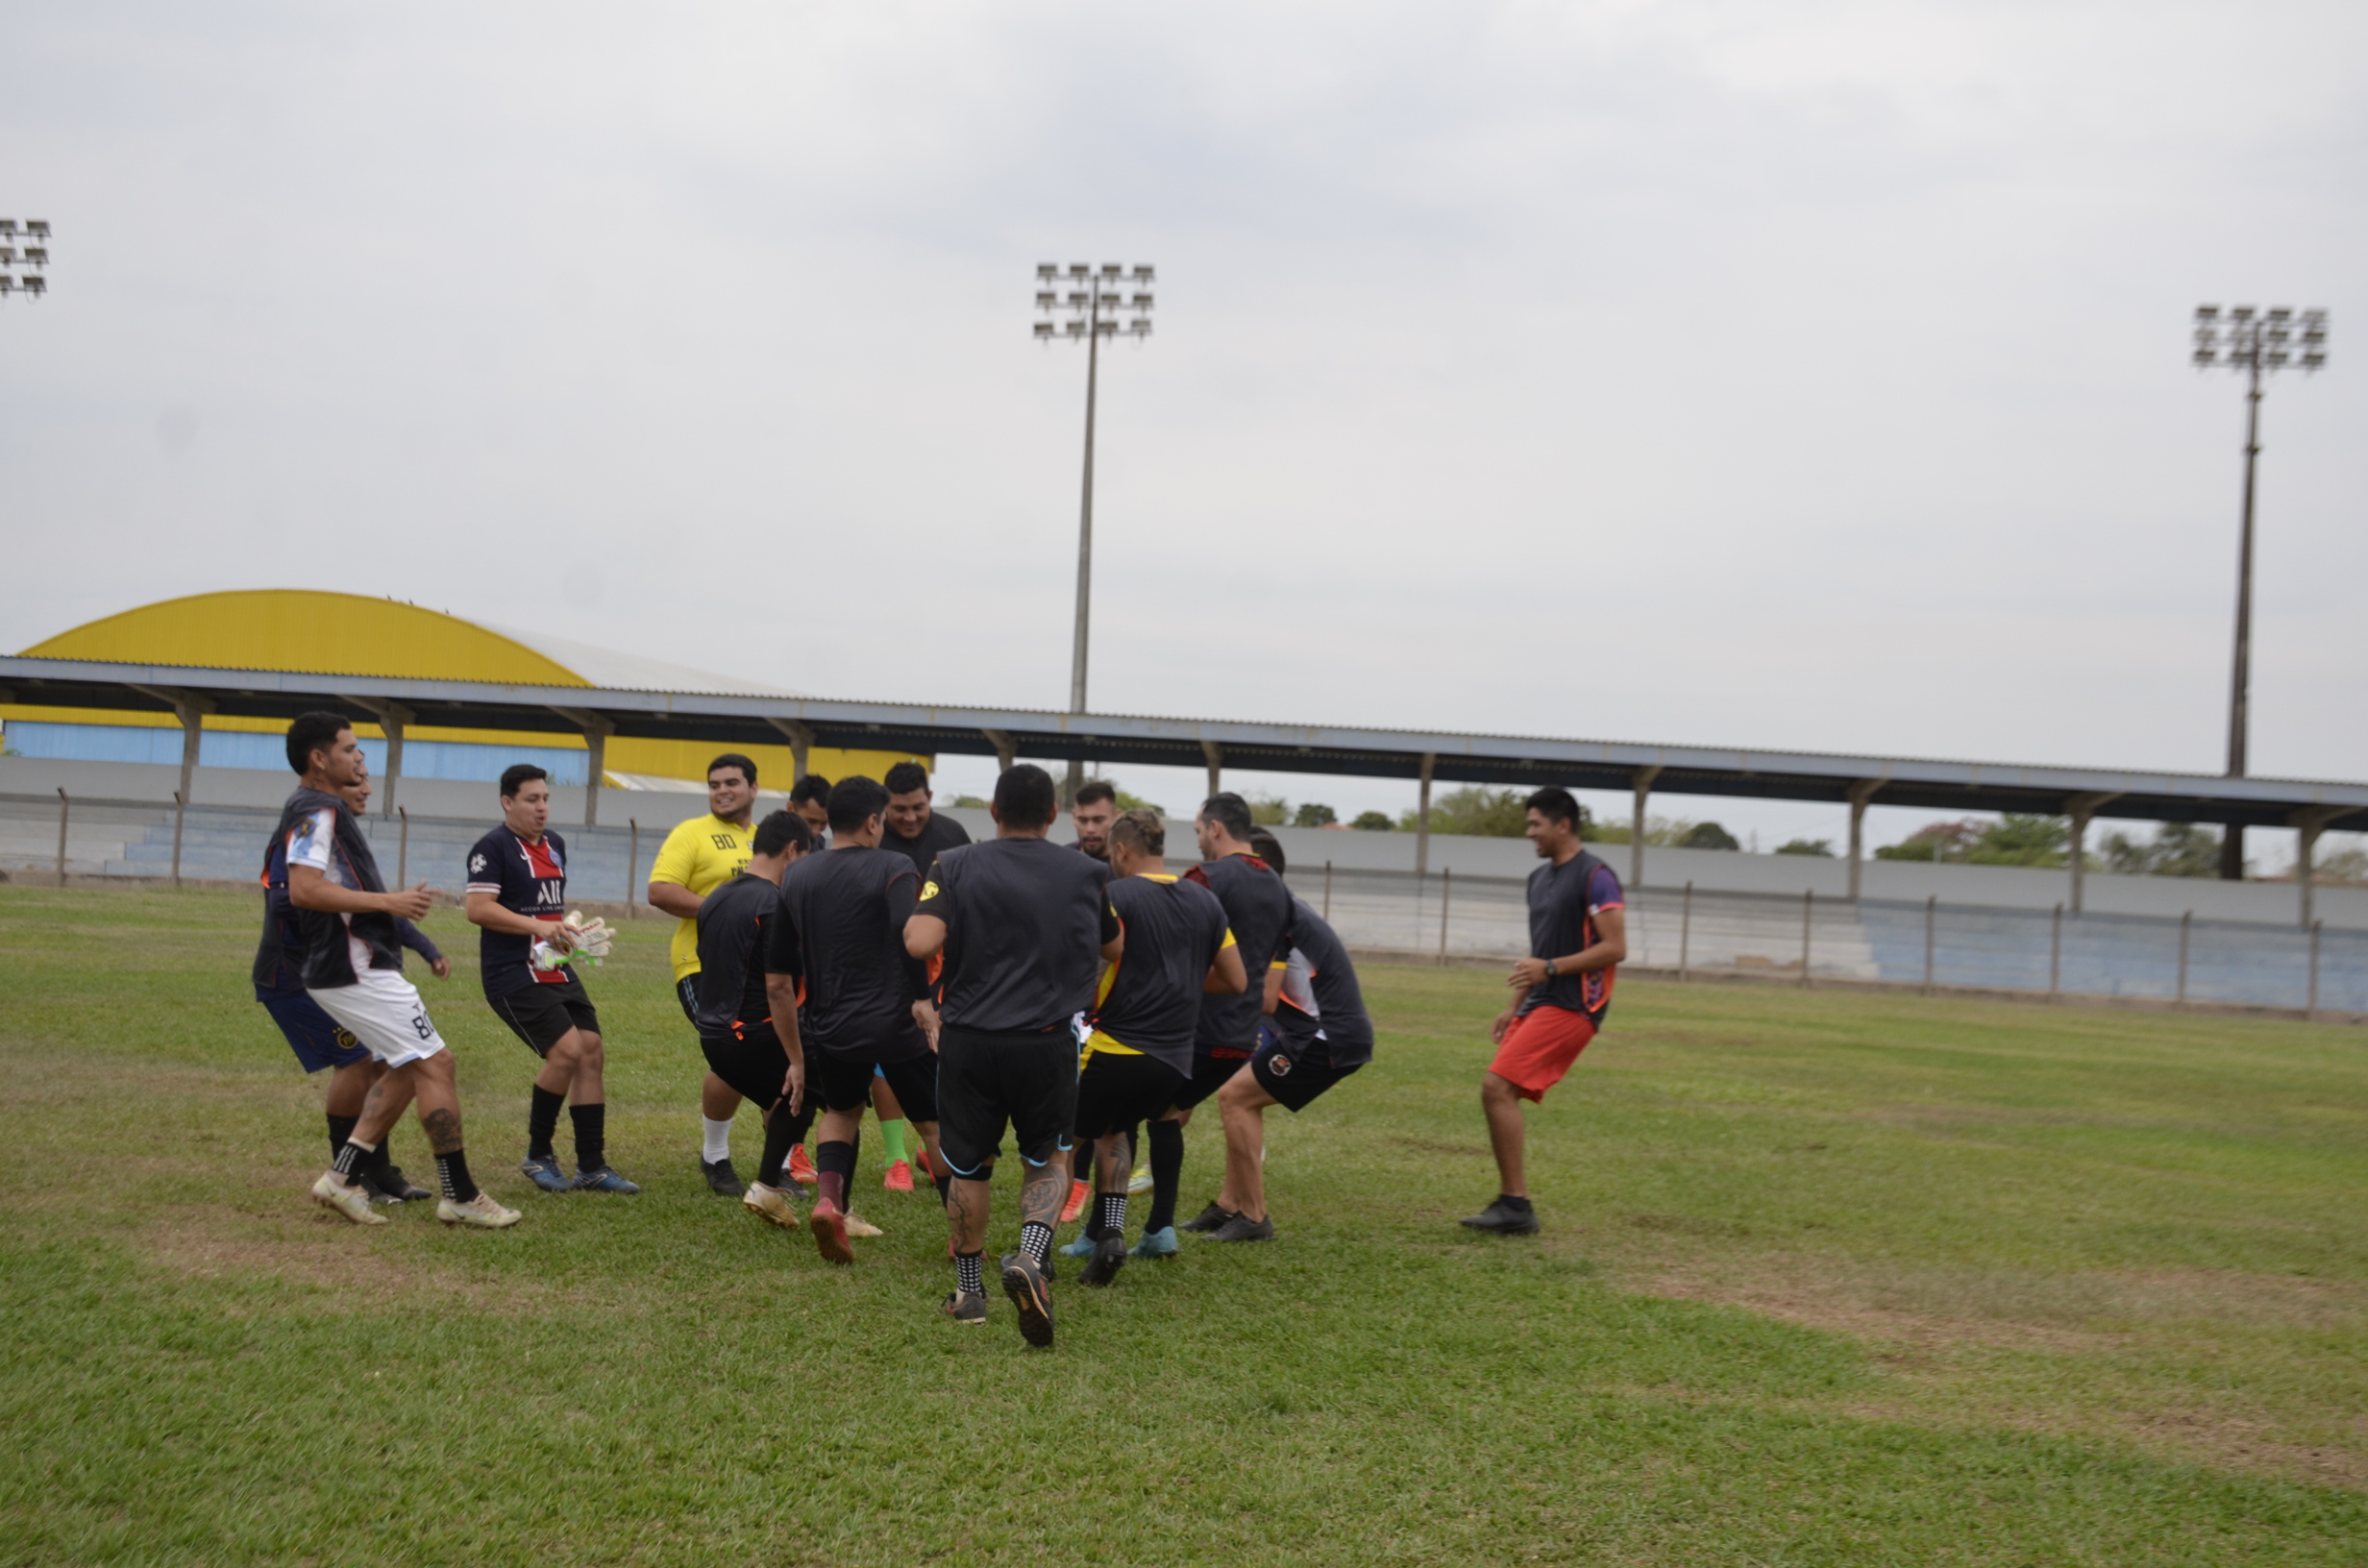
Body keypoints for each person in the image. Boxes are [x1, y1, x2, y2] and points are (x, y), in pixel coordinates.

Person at [903, 763, 1121, 1345]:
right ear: (1055, 815)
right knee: (1048, 1157)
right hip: (1046, 1041)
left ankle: (970, 1292)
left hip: (970, 1040)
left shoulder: (955, 863)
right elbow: (1116, 943)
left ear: (994, 813)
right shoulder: (1086, 871)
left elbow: (919, 941)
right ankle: (1029, 1256)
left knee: (969, 1165)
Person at [284, 712, 519, 1230]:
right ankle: (460, 1194)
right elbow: (302, 888)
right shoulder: (316, 810)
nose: (358, 757)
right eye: (348, 749)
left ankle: (342, 1179)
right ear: (319, 759)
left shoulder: (320, 809)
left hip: (350, 966)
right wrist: (389, 902)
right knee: (438, 1064)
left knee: (409, 1067)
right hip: (355, 968)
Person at [767, 775, 948, 1264]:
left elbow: (778, 975)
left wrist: (795, 1055)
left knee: (841, 1113)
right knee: (933, 1125)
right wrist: (921, 997)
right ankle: (960, 1235)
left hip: (831, 1025)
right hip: (895, 1023)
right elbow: (903, 929)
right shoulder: (895, 864)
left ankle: (829, 1201)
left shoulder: (799, 874)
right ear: (874, 820)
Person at [1064, 808, 1243, 1280]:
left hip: (1113, 1046)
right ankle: (1112, 1234)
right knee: (1115, 1132)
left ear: (1121, 849)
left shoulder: (1115, 895)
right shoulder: (1205, 901)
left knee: (1061, 1144)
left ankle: (1034, 1249)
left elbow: (1090, 960)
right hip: (1174, 1058)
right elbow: (1236, 979)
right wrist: (1177, 984)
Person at [255, 772, 441, 1205]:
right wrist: (344, 899)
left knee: (382, 1063)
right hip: (294, 975)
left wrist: (425, 947)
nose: (367, 789)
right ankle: (350, 1176)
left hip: (338, 972)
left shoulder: (340, 842)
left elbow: (376, 911)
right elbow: (287, 898)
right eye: (357, 781)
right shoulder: (304, 831)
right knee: (356, 1060)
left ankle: (377, 1171)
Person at [465, 764, 637, 1195]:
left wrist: (568, 935)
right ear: (507, 802)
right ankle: (538, 1154)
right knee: (567, 1051)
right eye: (531, 799)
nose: (542, 807)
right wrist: (538, 927)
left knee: (592, 1050)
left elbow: (549, 912)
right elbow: (479, 909)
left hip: (554, 966)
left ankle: (592, 1167)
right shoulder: (492, 847)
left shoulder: (555, 844)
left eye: (545, 799)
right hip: (511, 973)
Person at [1463, 787, 1626, 1236]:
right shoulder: (1538, 879)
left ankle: (1516, 1205)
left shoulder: (1597, 876)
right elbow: (1541, 952)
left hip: (1577, 1005)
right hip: (1540, 1001)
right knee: (1499, 1091)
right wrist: (1513, 1004)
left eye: (1536, 823)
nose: (1529, 832)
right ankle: (1512, 1202)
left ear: (1563, 824)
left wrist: (1551, 969)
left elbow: (1615, 947)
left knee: (1496, 1088)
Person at [1209, 830, 1372, 1242]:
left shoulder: (1278, 918)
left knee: (1234, 1098)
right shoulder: (1284, 910)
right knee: (1241, 1096)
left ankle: (1255, 1217)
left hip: (1326, 1038)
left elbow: (1263, 998)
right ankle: (1229, 1204)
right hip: (1319, 1032)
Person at [1160, 793, 1295, 1240]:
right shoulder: (1275, 884)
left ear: (1216, 828)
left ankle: (1150, 1224)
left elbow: (1173, 942)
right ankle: (1228, 1205)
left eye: (1199, 830)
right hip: (1247, 1028)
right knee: (1232, 1109)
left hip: (1197, 1025)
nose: (1198, 839)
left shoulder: (1206, 877)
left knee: (1157, 1111)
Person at [690, 810, 817, 1237]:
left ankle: (761, 1169)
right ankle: (769, 1179)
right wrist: (796, 1053)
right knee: (806, 1085)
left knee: (785, 1092)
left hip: (713, 1029)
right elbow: (778, 987)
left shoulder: (717, 896)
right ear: (792, 849)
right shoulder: (774, 902)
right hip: (748, 1028)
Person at [647, 754, 762, 1194]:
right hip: (702, 965)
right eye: (714, 784)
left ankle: (783, 1162)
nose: (721, 791)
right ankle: (715, 1156)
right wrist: (724, 910)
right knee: (731, 1051)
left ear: (753, 788)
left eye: (731, 782)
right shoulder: (691, 833)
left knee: (770, 1052)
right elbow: (659, 890)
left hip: (756, 968)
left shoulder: (763, 840)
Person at [1058, 777, 1121, 1219]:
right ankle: (1076, 1182)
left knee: (1115, 1113)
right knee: (1070, 1101)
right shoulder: (1060, 862)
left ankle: (1104, 1209)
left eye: (1099, 819)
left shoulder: (1128, 868)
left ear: (1115, 817)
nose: (1090, 828)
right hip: (1067, 1002)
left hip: (1118, 1007)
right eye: (1082, 819)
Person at [876, 760, 971, 876]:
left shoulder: (953, 834)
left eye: (918, 808)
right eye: (900, 809)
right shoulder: (871, 839)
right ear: (885, 802)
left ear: (930, 797)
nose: (910, 818)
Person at [789, 772, 833, 847]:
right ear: (790, 808)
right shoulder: (768, 846)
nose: (817, 832)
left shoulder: (819, 845)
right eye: (811, 822)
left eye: (823, 824)